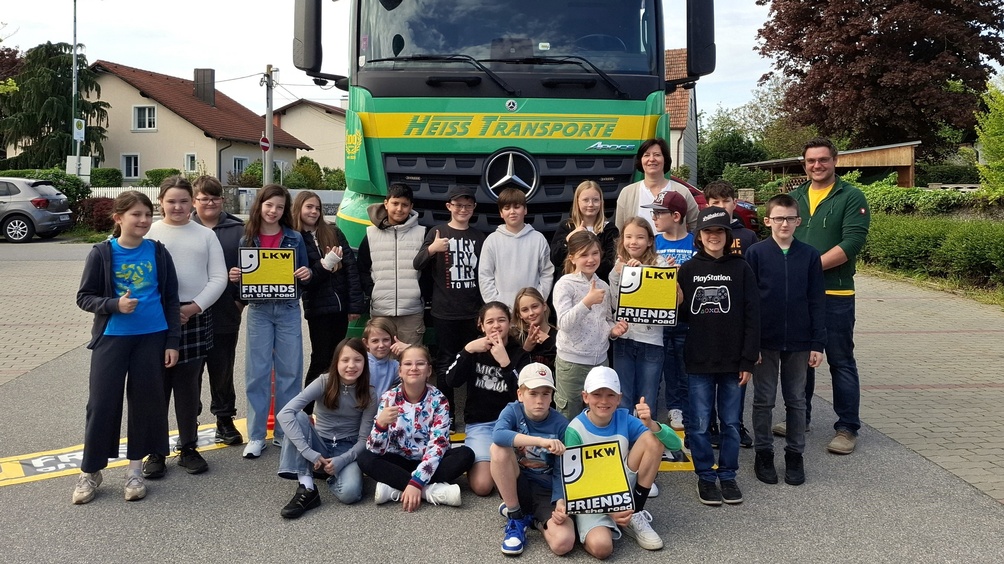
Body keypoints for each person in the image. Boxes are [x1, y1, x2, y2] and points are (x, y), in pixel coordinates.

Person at [72, 191, 180, 504]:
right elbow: (84, 297)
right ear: (119, 218)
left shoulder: (158, 252)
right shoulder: (102, 253)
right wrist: (113, 305)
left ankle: (134, 471)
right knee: (102, 404)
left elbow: (171, 299)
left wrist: (172, 341)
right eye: (136, 215)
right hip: (112, 338)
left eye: (148, 214)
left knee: (146, 403)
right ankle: (91, 471)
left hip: (152, 337)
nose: (144, 220)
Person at [786, 137, 871, 455]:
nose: (817, 166)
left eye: (823, 160)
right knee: (799, 360)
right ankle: (800, 419)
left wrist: (808, 267)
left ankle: (847, 427)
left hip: (835, 293)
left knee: (840, 360)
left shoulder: (851, 196)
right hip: (799, 295)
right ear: (804, 164)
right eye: (811, 161)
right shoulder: (794, 197)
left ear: (835, 161)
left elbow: (851, 243)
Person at [144, 176, 227, 478]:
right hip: (155, 319)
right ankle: (155, 451)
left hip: (194, 316)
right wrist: (160, 311)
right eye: (171, 201)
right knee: (156, 386)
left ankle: (189, 447)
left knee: (188, 386)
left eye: (183, 200)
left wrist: (194, 307)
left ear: (192, 202)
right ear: (161, 203)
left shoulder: (205, 235)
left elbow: (217, 278)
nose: (177, 206)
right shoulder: (150, 233)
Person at [676, 207, 760, 506]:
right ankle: (705, 476)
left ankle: (727, 474)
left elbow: (753, 315)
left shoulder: (741, 268)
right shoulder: (687, 270)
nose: (714, 237)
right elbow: (681, 315)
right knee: (698, 424)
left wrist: (748, 359)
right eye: (708, 231)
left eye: (720, 232)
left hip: (733, 361)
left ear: (728, 236)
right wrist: (671, 295)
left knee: (731, 423)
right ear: (699, 235)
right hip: (698, 358)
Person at [227, 184, 312, 459]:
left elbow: (305, 271)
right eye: (269, 205)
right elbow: (243, 279)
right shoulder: (247, 239)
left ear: (285, 210)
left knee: (290, 372)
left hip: (288, 308)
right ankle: (255, 435)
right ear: (259, 205)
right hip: (259, 310)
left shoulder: (295, 238)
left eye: (279, 207)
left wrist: (305, 273)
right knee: (257, 373)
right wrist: (237, 277)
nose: (273, 211)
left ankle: (284, 433)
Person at [747, 194, 826, 486]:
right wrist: (751, 343)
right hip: (764, 342)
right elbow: (750, 303)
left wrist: (818, 343)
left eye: (790, 218)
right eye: (778, 218)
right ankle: (764, 453)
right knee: (764, 399)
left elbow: (817, 300)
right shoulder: (755, 254)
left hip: (800, 341)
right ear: (768, 221)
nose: (784, 223)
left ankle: (795, 455)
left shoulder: (809, 255)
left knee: (796, 400)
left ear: (798, 221)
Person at [564, 367, 682, 558]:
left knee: (653, 440)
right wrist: (610, 512)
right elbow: (576, 486)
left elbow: (675, 445)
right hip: (591, 496)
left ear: (619, 398)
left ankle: (635, 511)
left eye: (610, 395)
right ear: (585, 397)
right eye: (597, 394)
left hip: (621, 489)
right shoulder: (574, 430)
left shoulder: (623, 418)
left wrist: (651, 423)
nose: (604, 401)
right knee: (602, 549)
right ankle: (603, 523)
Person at [358, 345, 475, 510]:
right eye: (407, 364)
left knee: (466, 454)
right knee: (365, 457)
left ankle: (398, 489)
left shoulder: (439, 399)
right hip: (398, 460)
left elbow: (438, 445)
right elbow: (375, 450)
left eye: (420, 364)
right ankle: (429, 492)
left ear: (429, 370)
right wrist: (381, 426)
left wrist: (417, 481)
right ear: (400, 371)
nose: (413, 368)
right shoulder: (389, 398)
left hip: (430, 461)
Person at [275, 338, 377, 518]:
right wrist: (308, 452)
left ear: (365, 363)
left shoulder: (370, 393)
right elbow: (284, 413)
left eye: (358, 360)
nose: (351, 365)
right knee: (298, 416)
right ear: (336, 362)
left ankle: (327, 471)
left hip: (347, 448)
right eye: (345, 360)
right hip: (319, 444)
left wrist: (342, 461)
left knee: (351, 494)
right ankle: (307, 487)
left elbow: (364, 440)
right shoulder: (323, 382)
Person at [413, 184, 485, 428]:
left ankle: (472, 414)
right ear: (449, 207)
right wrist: (433, 249)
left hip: (473, 312)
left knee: (474, 363)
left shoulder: (478, 237)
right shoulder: (437, 232)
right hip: (444, 312)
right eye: (458, 205)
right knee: (445, 363)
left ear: (474, 208)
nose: (463, 209)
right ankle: (448, 414)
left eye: (468, 205)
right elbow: (418, 263)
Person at [445, 301, 531, 496]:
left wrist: (506, 363)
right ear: (481, 325)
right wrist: (467, 350)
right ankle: (506, 463)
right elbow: (451, 380)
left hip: (513, 424)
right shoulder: (474, 351)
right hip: (481, 425)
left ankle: (509, 462)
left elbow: (526, 396)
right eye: (490, 321)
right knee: (482, 486)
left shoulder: (520, 355)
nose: (496, 326)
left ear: (510, 323)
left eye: (501, 320)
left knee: (511, 481)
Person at [490, 363, 574, 556]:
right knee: (498, 450)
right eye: (533, 393)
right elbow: (498, 435)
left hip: (547, 490)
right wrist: (540, 441)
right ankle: (516, 516)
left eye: (545, 394)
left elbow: (562, 469)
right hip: (518, 482)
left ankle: (534, 518)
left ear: (552, 396)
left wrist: (560, 500)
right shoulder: (512, 411)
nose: (539, 400)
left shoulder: (562, 424)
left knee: (564, 542)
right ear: (520, 394)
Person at [292, 190, 364, 414]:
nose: (314, 211)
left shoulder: (333, 232)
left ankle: (332, 407)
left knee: (338, 358)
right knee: (320, 359)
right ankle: (305, 410)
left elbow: (351, 270)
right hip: (318, 310)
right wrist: (326, 264)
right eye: (309, 207)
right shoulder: (295, 238)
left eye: (317, 208)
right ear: (299, 209)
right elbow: (306, 281)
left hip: (341, 308)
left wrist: (354, 305)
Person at [703, 180, 758, 449]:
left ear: (735, 203)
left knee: (736, 379)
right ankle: (711, 424)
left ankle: (735, 423)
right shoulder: (700, 234)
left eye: (726, 201)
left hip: (736, 319)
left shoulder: (747, 237)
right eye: (715, 203)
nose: (721, 207)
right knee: (708, 378)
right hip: (708, 318)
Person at [191, 175, 245, 446]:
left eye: (215, 198)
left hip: (225, 310)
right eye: (204, 198)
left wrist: (239, 300)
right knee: (191, 371)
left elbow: (250, 268)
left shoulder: (238, 229)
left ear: (222, 200)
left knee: (222, 369)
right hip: (190, 314)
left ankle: (224, 419)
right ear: (194, 200)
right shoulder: (183, 227)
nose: (210, 203)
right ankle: (189, 422)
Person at [553, 231, 628, 420]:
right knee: (568, 415)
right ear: (572, 258)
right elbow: (564, 323)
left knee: (599, 416)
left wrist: (613, 330)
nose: (590, 259)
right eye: (584, 255)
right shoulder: (565, 284)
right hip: (572, 363)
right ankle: (566, 450)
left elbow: (606, 319)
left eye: (594, 253)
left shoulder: (602, 284)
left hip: (600, 361)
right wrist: (587, 302)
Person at [643, 190, 695, 433]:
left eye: (658, 213)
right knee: (662, 367)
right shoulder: (653, 243)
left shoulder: (695, 242)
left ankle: (682, 407)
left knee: (683, 366)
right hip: (659, 320)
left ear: (676, 216)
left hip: (686, 318)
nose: (654, 217)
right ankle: (666, 407)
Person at [608, 217, 669, 411]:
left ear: (650, 241)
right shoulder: (617, 266)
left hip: (651, 341)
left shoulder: (661, 264)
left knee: (647, 399)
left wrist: (639, 272)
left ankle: (645, 439)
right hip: (624, 339)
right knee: (623, 398)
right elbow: (614, 303)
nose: (633, 241)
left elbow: (662, 300)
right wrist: (620, 274)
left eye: (640, 237)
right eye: (628, 237)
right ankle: (625, 439)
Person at [357, 182, 427, 346]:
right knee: (381, 362)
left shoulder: (422, 234)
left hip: (412, 314)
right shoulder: (371, 234)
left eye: (405, 205)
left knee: (410, 363)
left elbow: (429, 271)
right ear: (386, 203)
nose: (399, 209)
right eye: (395, 203)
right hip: (381, 313)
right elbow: (361, 268)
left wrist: (419, 292)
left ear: (411, 207)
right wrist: (373, 291)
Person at [479, 187, 554, 307]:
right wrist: (496, 305)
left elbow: (546, 273)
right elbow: (485, 276)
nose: (512, 212)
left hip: (531, 310)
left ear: (525, 210)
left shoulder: (538, 239)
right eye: (507, 208)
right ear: (501, 213)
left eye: (517, 207)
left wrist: (537, 301)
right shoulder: (492, 241)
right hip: (502, 312)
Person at [614, 138, 698, 233]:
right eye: (646, 155)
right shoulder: (627, 193)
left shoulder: (682, 191)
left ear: (665, 159)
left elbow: (696, 225)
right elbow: (620, 231)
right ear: (641, 161)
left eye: (657, 155)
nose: (651, 159)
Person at [550, 180, 619, 283]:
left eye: (595, 200)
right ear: (577, 202)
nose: (591, 204)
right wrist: (568, 239)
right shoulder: (566, 227)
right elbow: (555, 259)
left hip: (598, 283)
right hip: (570, 286)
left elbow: (610, 262)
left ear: (601, 202)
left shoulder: (609, 229)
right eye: (586, 200)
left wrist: (586, 269)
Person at [512, 287, 556, 372]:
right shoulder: (516, 337)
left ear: (544, 306)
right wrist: (526, 349)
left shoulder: (560, 336)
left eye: (535, 306)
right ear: (519, 314)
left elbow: (562, 368)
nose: (531, 313)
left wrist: (549, 343)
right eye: (525, 310)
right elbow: (515, 371)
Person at [363, 317, 403, 395]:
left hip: (385, 406)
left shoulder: (394, 366)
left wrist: (407, 350)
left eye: (386, 340)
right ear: (366, 343)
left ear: (392, 340)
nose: (381, 345)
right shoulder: (361, 362)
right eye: (375, 341)